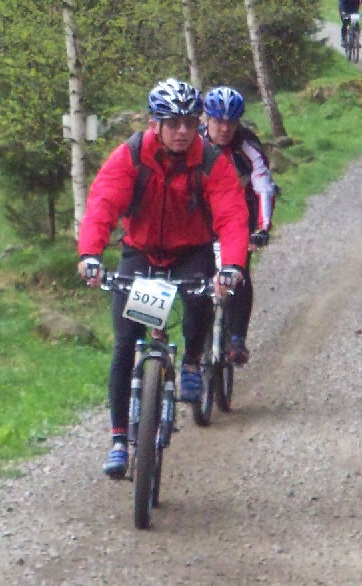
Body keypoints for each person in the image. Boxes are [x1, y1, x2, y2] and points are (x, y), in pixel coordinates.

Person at [77, 78, 249, 479]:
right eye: (172, 123)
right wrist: (90, 255)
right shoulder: (132, 155)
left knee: (199, 298)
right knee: (126, 344)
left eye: (189, 122)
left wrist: (232, 266)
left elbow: (231, 214)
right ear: (154, 123)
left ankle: (192, 362)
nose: (182, 131)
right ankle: (119, 439)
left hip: (191, 251)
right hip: (141, 253)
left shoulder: (210, 160)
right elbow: (103, 203)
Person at [201, 85, 276, 365]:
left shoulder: (248, 147)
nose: (225, 129)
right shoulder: (194, 144)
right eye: (219, 121)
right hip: (203, 216)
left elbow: (264, 188)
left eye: (231, 122)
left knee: (239, 272)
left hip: (241, 218)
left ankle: (236, 339)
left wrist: (261, 229)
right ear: (207, 119)